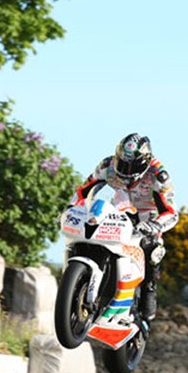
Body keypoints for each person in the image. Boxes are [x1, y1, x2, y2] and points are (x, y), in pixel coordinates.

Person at [72, 133, 178, 324]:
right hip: (119, 209)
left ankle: (149, 288)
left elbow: (171, 212)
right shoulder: (107, 165)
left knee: (152, 247)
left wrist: (155, 225)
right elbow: (83, 191)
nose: (126, 170)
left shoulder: (159, 175)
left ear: (145, 161)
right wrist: (74, 208)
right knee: (89, 230)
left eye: (132, 165)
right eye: (122, 163)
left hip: (149, 215)